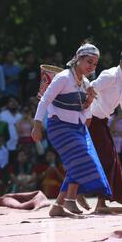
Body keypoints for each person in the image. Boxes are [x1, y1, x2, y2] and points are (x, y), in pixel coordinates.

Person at [31, 43, 112, 217]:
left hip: (78, 128)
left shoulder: (86, 84)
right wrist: (37, 124)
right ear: (78, 59)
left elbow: (85, 112)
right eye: (89, 62)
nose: (91, 66)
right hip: (59, 127)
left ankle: (60, 205)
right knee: (81, 160)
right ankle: (69, 200)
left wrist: (89, 102)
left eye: (95, 64)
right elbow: (44, 100)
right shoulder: (63, 78)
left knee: (78, 162)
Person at [87, 48, 122, 213]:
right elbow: (91, 88)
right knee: (107, 158)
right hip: (91, 120)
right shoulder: (110, 75)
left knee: (111, 158)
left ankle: (108, 199)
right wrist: (89, 110)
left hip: (101, 122)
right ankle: (100, 201)